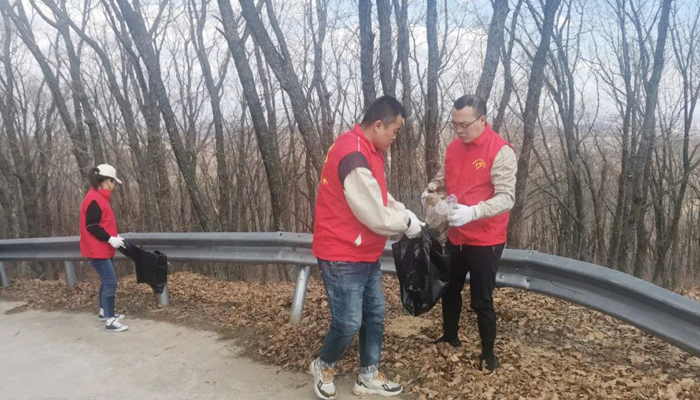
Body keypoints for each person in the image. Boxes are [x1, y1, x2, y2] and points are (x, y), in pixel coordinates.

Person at [310, 96, 423, 399]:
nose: (395, 137)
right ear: (378, 125)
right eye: (395, 131)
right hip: (341, 253)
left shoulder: (365, 149)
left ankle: (368, 376)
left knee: (374, 315)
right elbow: (374, 214)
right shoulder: (354, 154)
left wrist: (404, 212)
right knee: (349, 321)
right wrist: (405, 223)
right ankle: (323, 365)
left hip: (363, 251)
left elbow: (378, 196)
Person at [422, 95, 517, 372]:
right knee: (450, 288)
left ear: (482, 120)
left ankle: (488, 353)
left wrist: (474, 212)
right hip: (456, 234)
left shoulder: (500, 151)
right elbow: (444, 177)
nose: (458, 130)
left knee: (481, 299)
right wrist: (431, 189)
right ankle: (450, 337)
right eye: (454, 124)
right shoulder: (454, 148)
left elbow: (506, 197)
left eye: (464, 125)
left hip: (486, 238)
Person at [79, 164, 128, 332]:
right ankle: (110, 320)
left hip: (103, 248)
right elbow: (92, 226)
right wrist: (109, 238)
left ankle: (103, 312)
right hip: (97, 249)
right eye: (113, 182)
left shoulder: (99, 197)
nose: (114, 186)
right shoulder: (94, 199)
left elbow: (102, 223)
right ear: (106, 181)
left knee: (106, 281)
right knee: (111, 283)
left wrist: (114, 237)